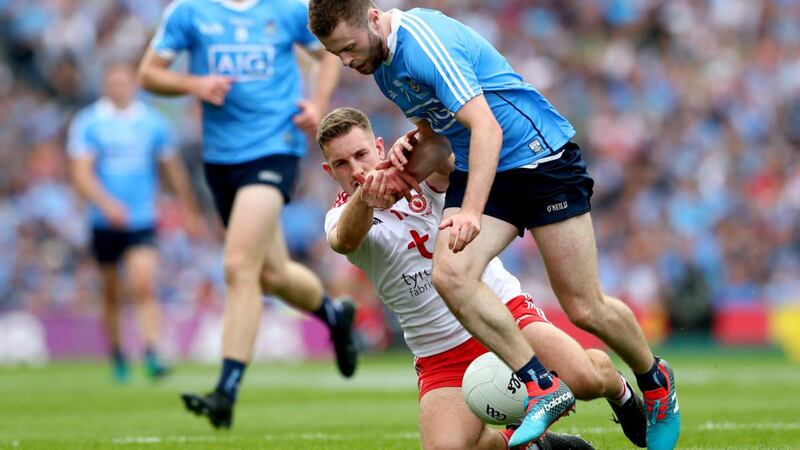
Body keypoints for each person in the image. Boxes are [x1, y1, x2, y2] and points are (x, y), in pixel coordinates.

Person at [307, 3, 680, 449]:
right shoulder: (383, 69)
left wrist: (468, 208)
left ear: (371, 18)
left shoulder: (423, 43)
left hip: (537, 158)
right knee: (451, 274)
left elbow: (484, 126)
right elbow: (440, 131)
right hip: (486, 175)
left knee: (584, 307)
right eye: (336, 54)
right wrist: (403, 166)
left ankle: (654, 379)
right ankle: (542, 387)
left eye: (348, 48)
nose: (346, 61)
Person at [317, 107, 647, 450]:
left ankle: (620, 391)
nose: (356, 169)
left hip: (499, 310)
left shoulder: (414, 174)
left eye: (361, 154)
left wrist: (421, 150)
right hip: (439, 351)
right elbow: (346, 239)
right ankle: (541, 447)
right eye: (342, 163)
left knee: (585, 380)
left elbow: (450, 166)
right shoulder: (342, 215)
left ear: (379, 147)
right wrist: (365, 198)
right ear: (329, 171)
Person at [138, 0, 357, 429]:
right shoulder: (188, 12)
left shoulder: (288, 10)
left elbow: (327, 55)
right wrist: (194, 84)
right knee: (270, 274)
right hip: (221, 160)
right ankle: (335, 315)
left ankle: (226, 389)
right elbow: (149, 73)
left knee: (239, 265)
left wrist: (317, 102)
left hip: (275, 147)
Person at [67, 62, 203, 382]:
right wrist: (106, 204)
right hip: (104, 221)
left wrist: (189, 209)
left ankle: (152, 353)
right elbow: (81, 175)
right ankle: (117, 355)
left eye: (125, 81)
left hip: (141, 218)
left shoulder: (152, 123)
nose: (119, 87)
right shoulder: (89, 123)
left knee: (143, 284)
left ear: (133, 84)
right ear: (106, 85)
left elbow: (173, 168)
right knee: (112, 292)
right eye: (113, 81)